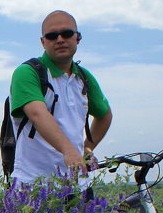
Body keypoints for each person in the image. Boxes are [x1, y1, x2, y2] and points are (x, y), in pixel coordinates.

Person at [7, 10, 112, 192]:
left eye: (67, 34)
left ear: (77, 37)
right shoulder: (28, 72)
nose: (60, 39)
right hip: (33, 187)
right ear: (43, 42)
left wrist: (86, 149)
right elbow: (38, 114)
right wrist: (68, 150)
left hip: (78, 186)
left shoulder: (84, 77)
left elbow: (104, 115)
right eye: (52, 35)